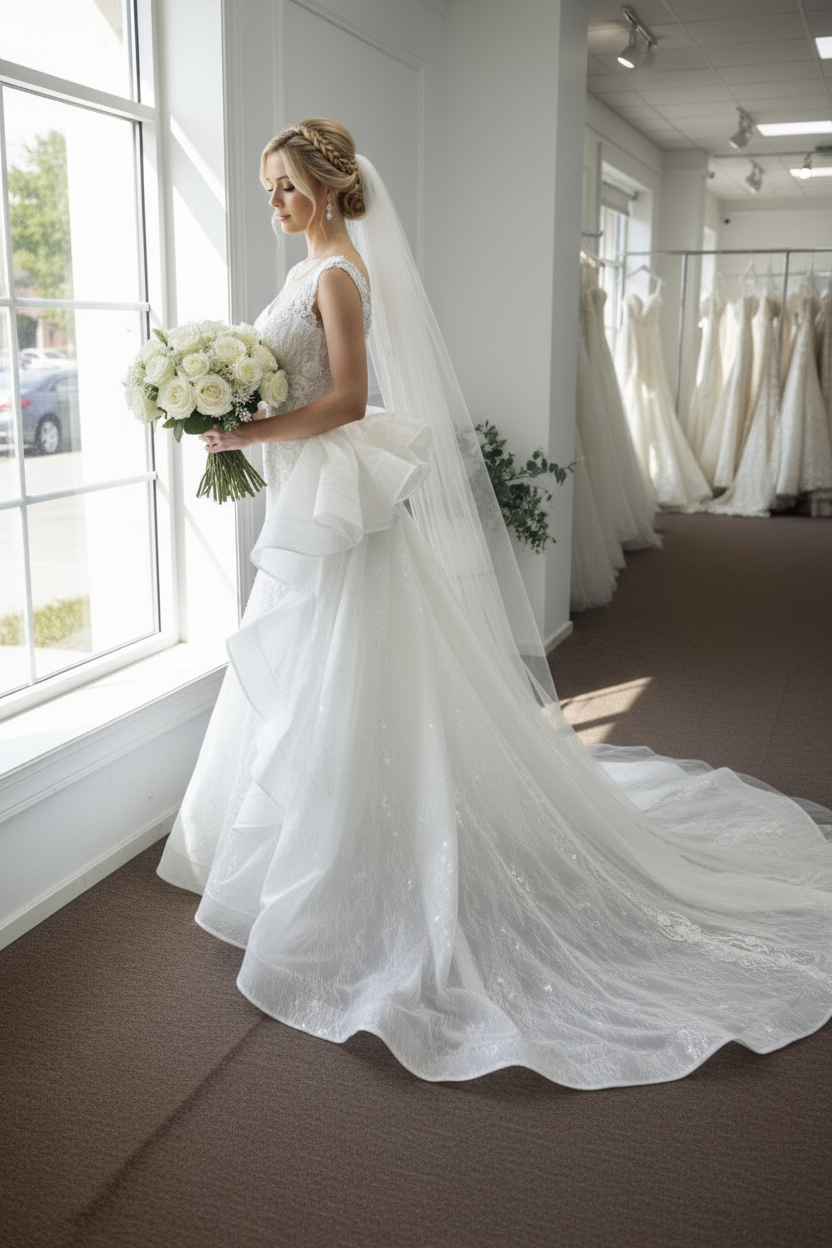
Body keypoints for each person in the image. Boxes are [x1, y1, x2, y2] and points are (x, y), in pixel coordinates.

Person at [158, 118, 832, 1090]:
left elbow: (347, 399)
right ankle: (316, 838)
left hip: (338, 499)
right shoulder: (308, 270)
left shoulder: (339, 273)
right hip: (318, 498)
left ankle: (367, 850)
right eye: (268, 186)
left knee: (351, 667)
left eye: (289, 185)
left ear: (335, 189)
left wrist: (246, 430)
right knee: (315, 668)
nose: (276, 201)